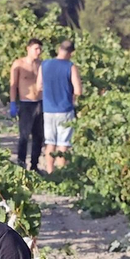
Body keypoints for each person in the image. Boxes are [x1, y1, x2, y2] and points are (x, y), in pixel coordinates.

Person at [39, 39, 81, 174]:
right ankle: (61, 173)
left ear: (59, 49)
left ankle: (50, 172)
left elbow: (38, 86)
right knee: (63, 143)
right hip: (65, 109)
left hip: (48, 109)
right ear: (71, 53)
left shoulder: (44, 64)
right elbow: (78, 90)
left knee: (50, 142)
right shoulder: (70, 66)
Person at [9, 38, 45, 171]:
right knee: (24, 135)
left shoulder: (41, 64)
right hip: (26, 103)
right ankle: (21, 162)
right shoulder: (19, 64)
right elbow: (13, 85)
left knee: (39, 136)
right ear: (28, 49)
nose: (38, 52)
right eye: (36, 48)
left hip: (40, 102)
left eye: (40, 49)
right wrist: (13, 102)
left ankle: (34, 165)